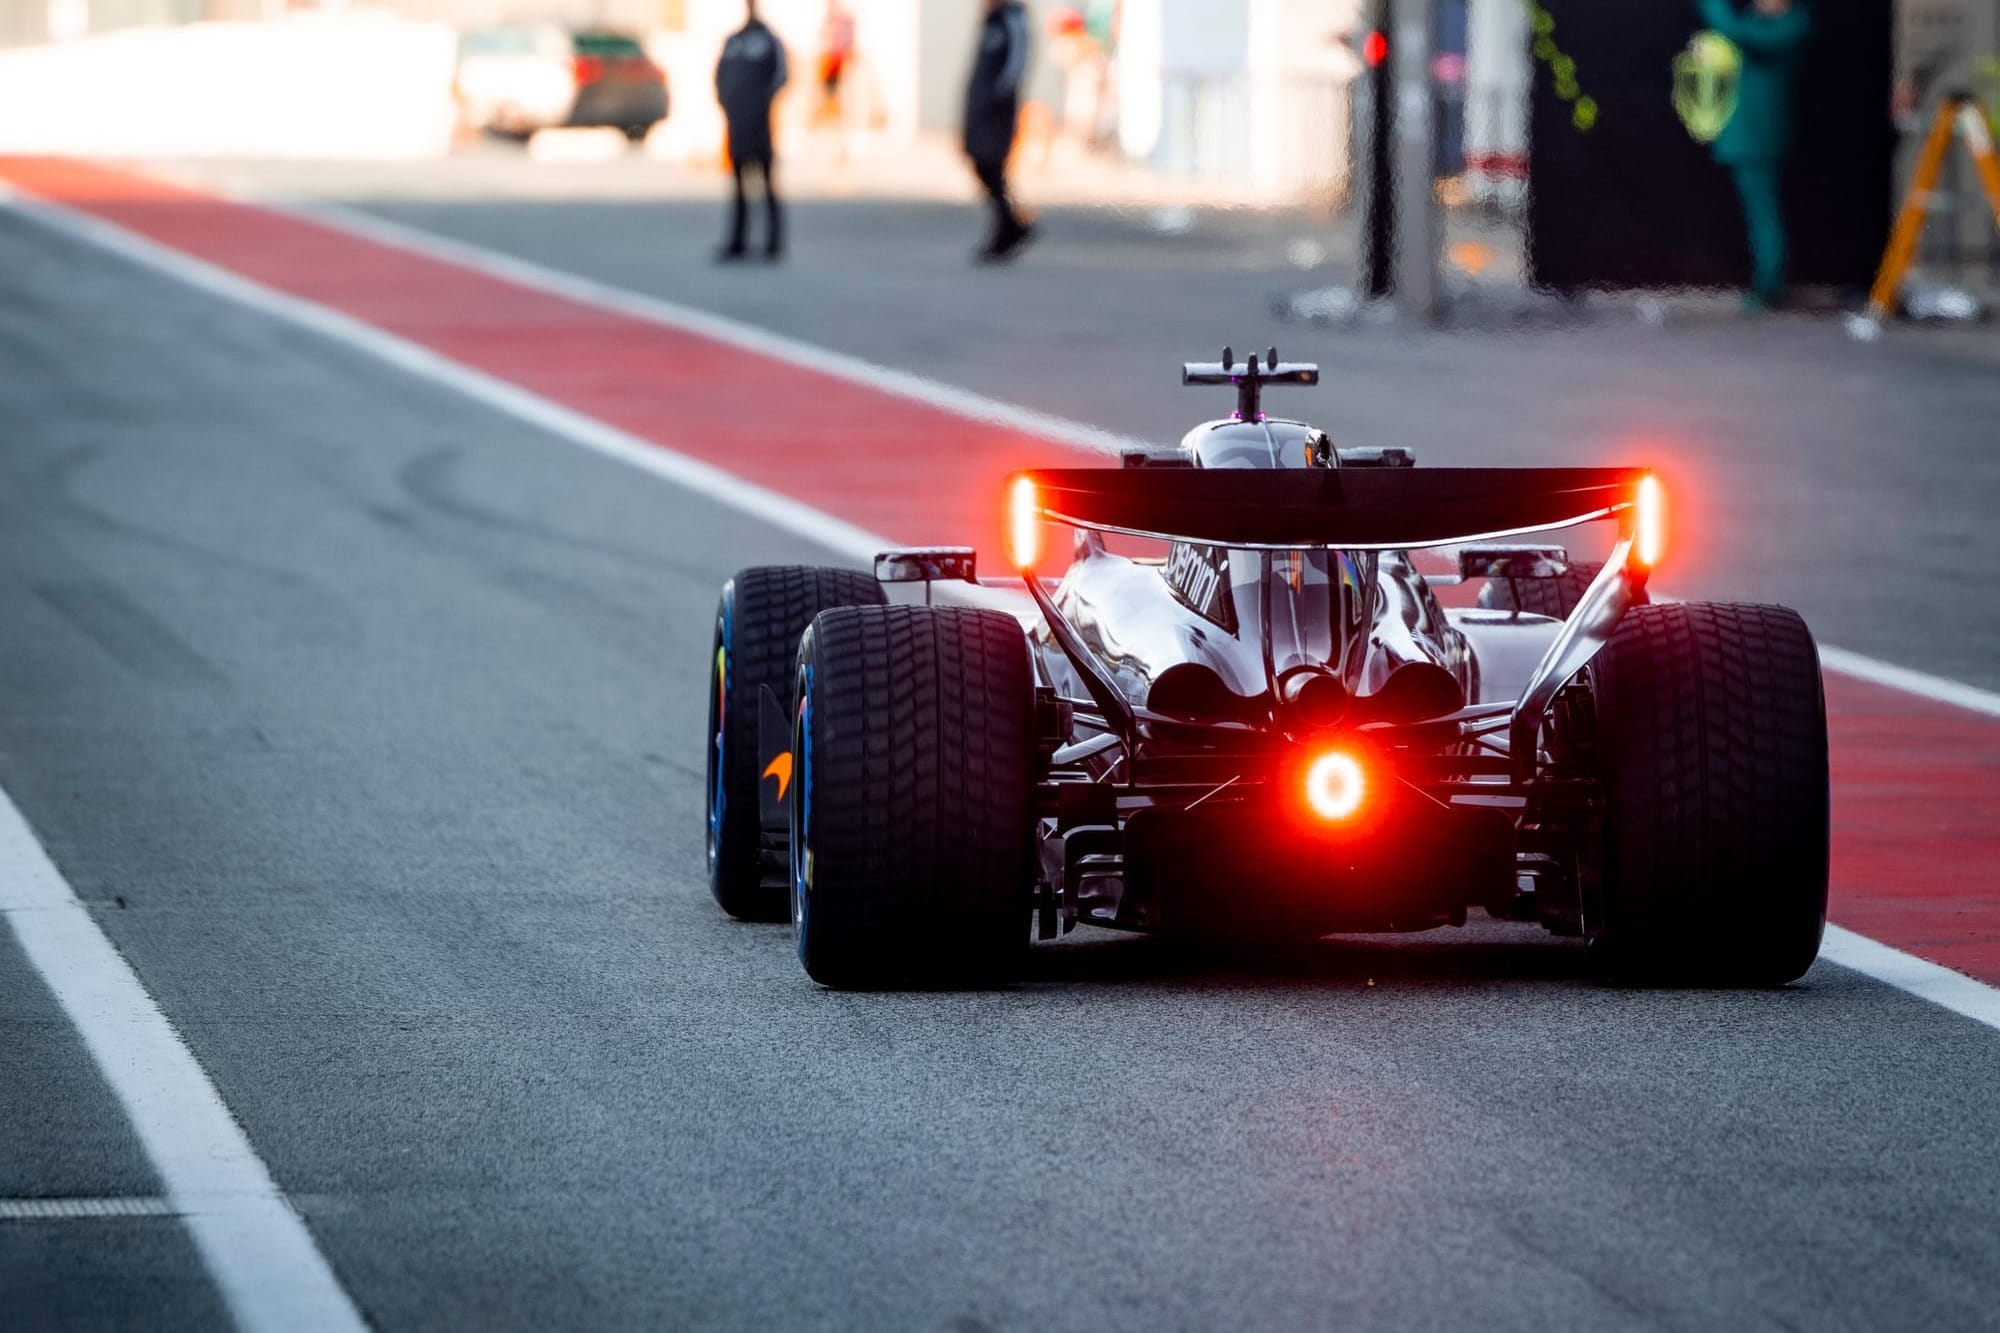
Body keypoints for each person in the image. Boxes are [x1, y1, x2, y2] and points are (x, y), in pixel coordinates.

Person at [1695, 0, 1812, 308]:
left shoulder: (1792, 26)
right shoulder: (1760, 25)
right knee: (1758, 212)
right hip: (1744, 132)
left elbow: (1732, 30)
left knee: (1764, 212)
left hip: (1760, 134)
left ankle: (1769, 286)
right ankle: (1766, 281)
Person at [715, 1, 789, 261]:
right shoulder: (734, 41)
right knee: (738, 185)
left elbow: (781, 76)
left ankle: (773, 242)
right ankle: (738, 241)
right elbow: (719, 76)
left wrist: (761, 104)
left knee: (767, 182)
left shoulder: (769, 40)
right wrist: (729, 105)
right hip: (737, 124)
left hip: (760, 124)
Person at [964, 0, 1034, 262]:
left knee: (991, 163)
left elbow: (1019, 58)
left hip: (997, 109)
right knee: (982, 163)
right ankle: (1009, 223)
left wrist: (1001, 93)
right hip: (981, 107)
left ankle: (1010, 226)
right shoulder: (991, 22)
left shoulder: (1011, 19)